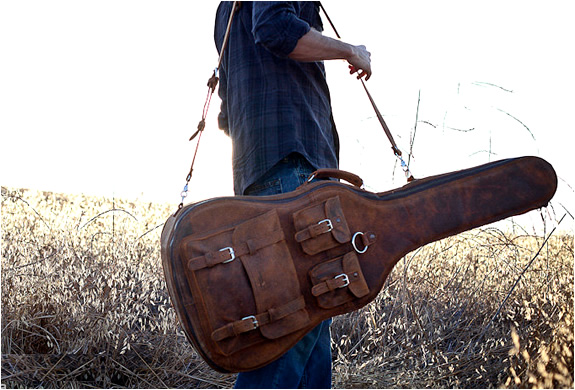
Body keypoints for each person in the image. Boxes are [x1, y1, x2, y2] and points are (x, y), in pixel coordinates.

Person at [214, 2, 371, 388]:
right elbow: (274, 27)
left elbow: (227, 112)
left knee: (309, 325)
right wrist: (351, 51)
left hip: (262, 170)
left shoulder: (225, 9)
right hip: (294, 164)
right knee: (295, 321)